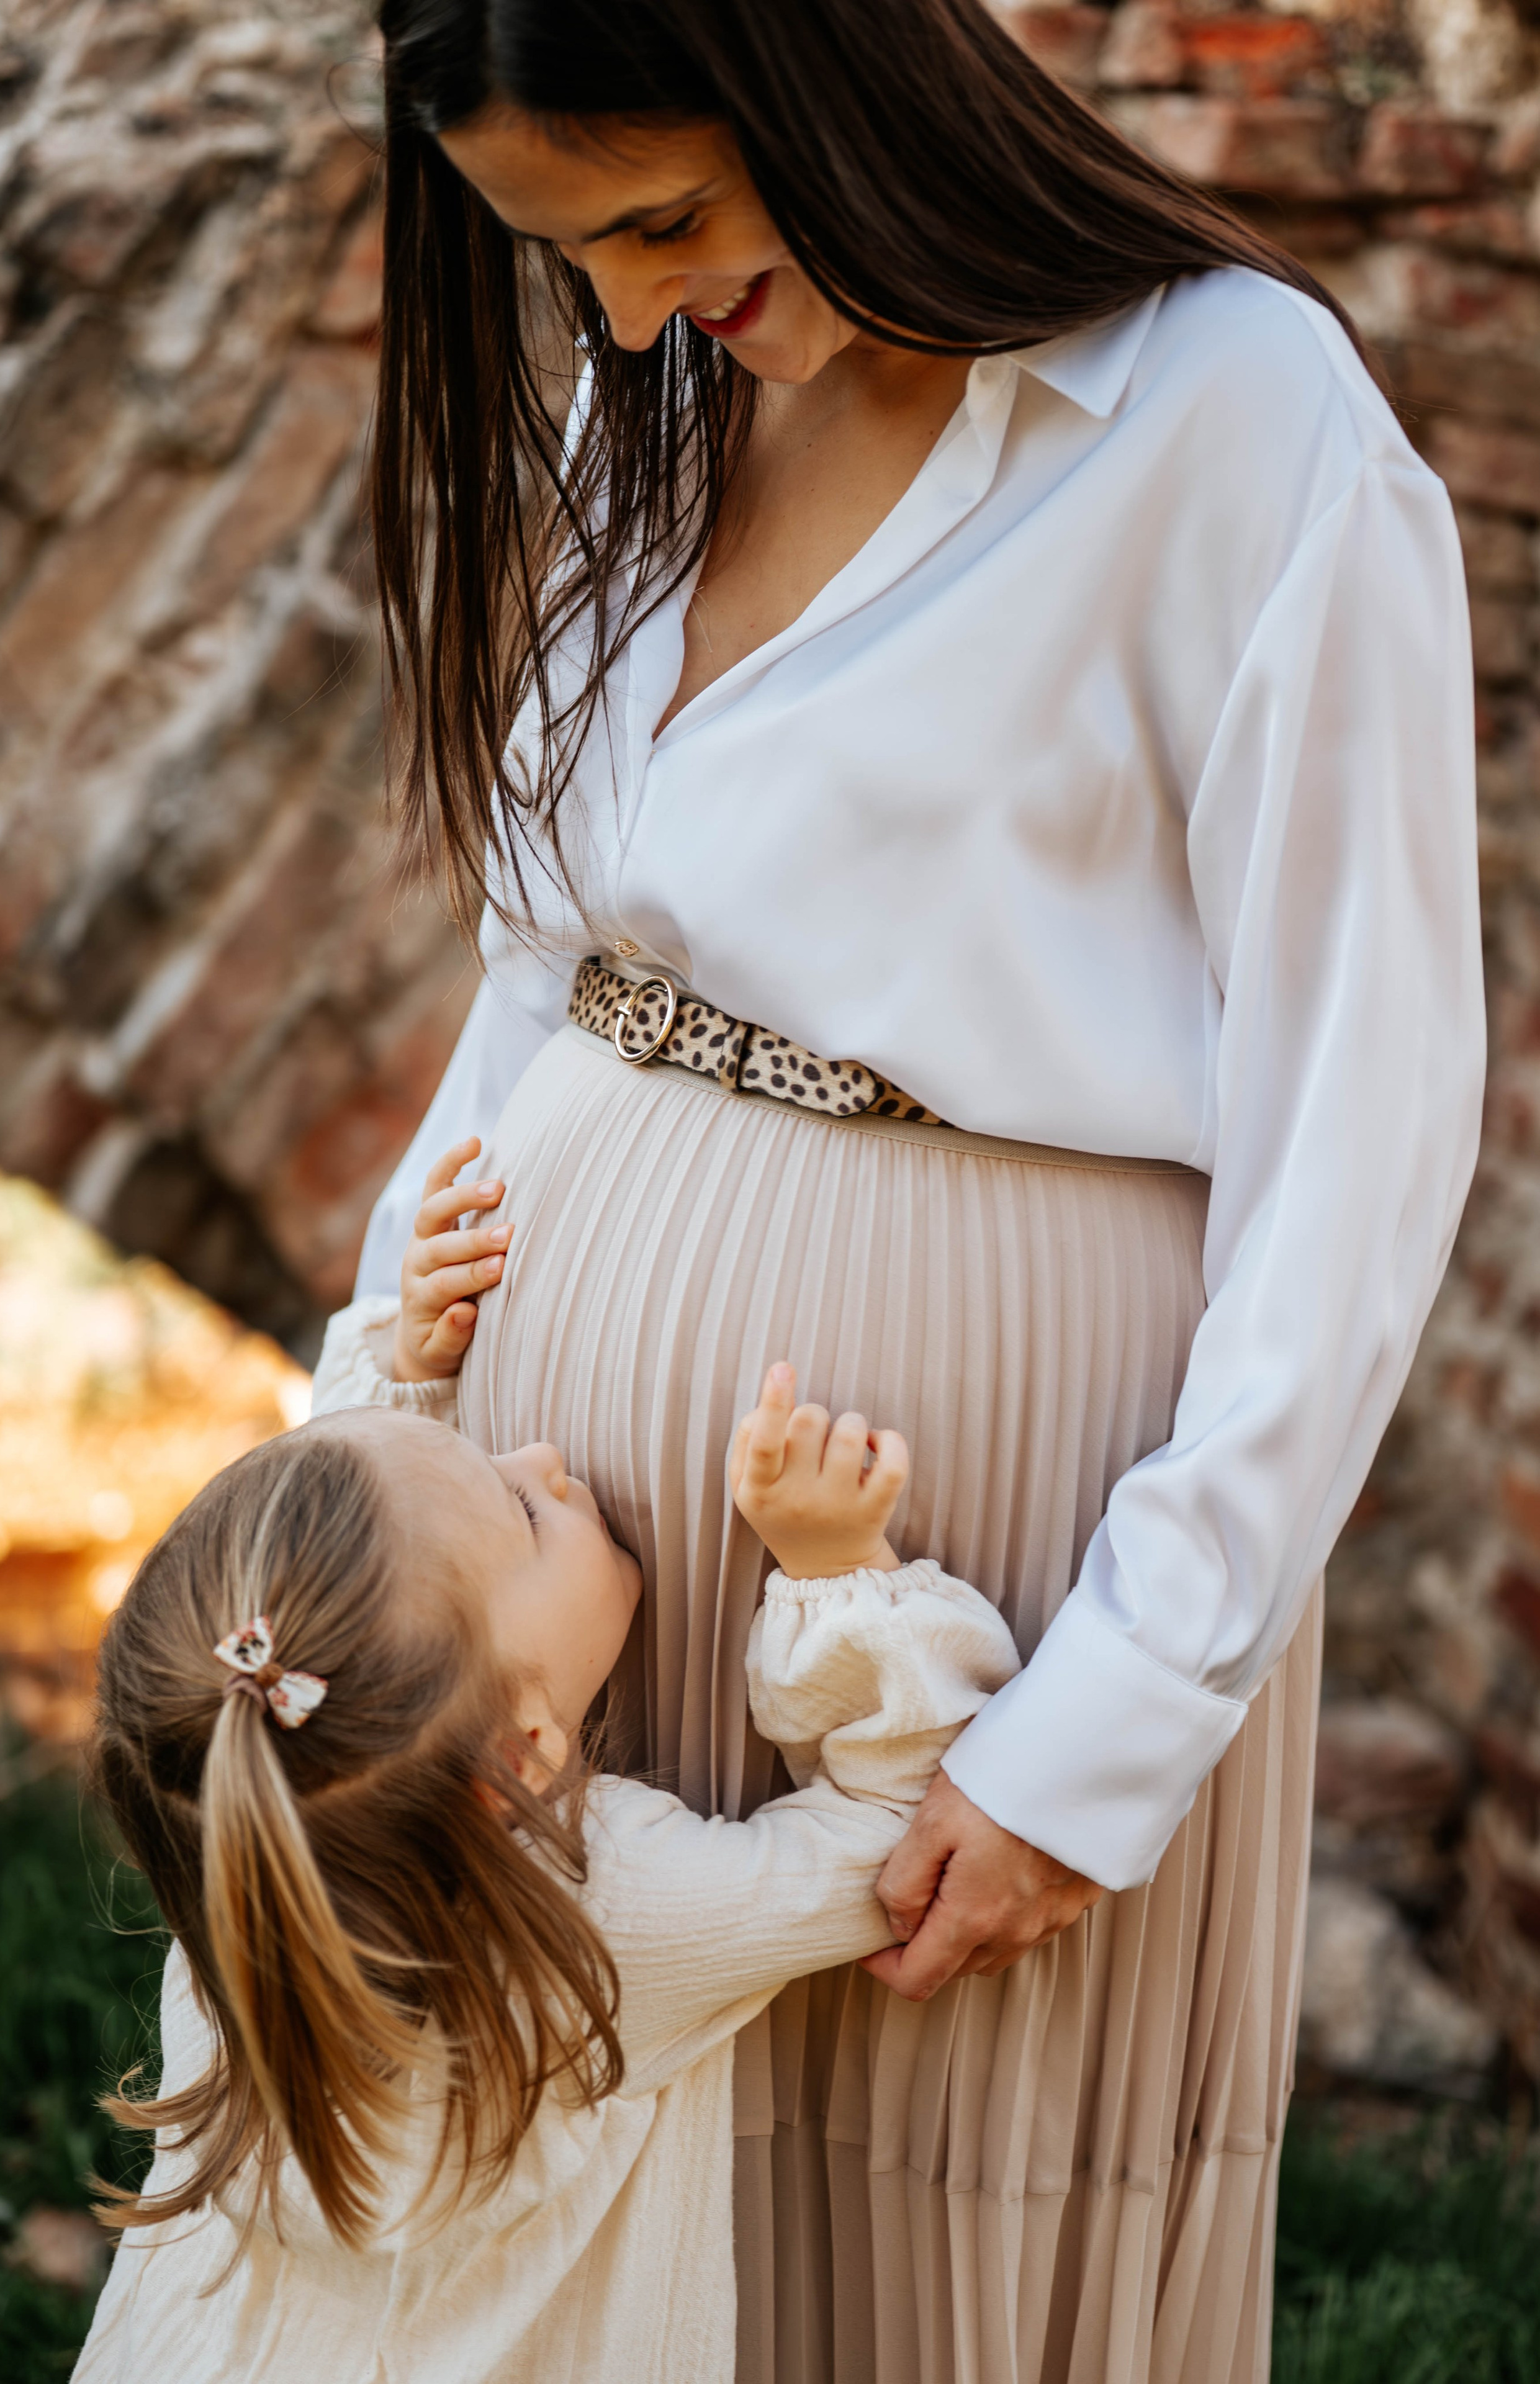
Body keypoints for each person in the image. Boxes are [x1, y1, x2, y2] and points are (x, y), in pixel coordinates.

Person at [349, 0, 1485, 2373]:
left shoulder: (1236, 425)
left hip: (972, 1550)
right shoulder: (654, 386)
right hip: (570, 1531)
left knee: (927, 2247)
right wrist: (375, 1433)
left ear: (832, 72)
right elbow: (538, 974)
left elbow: (1358, 1133)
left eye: (665, 217)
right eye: (579, 261)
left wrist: (1116, 1714)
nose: (642, 308)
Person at [73, 1302, 1017, 2383]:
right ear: (518, 1755)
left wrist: (408, 1383)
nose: (546, 1458)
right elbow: (902, 1844)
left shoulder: (253, 1860)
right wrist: (837, 1571)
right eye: (524, 1511)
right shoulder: (601, 1914)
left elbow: (353, 1622)